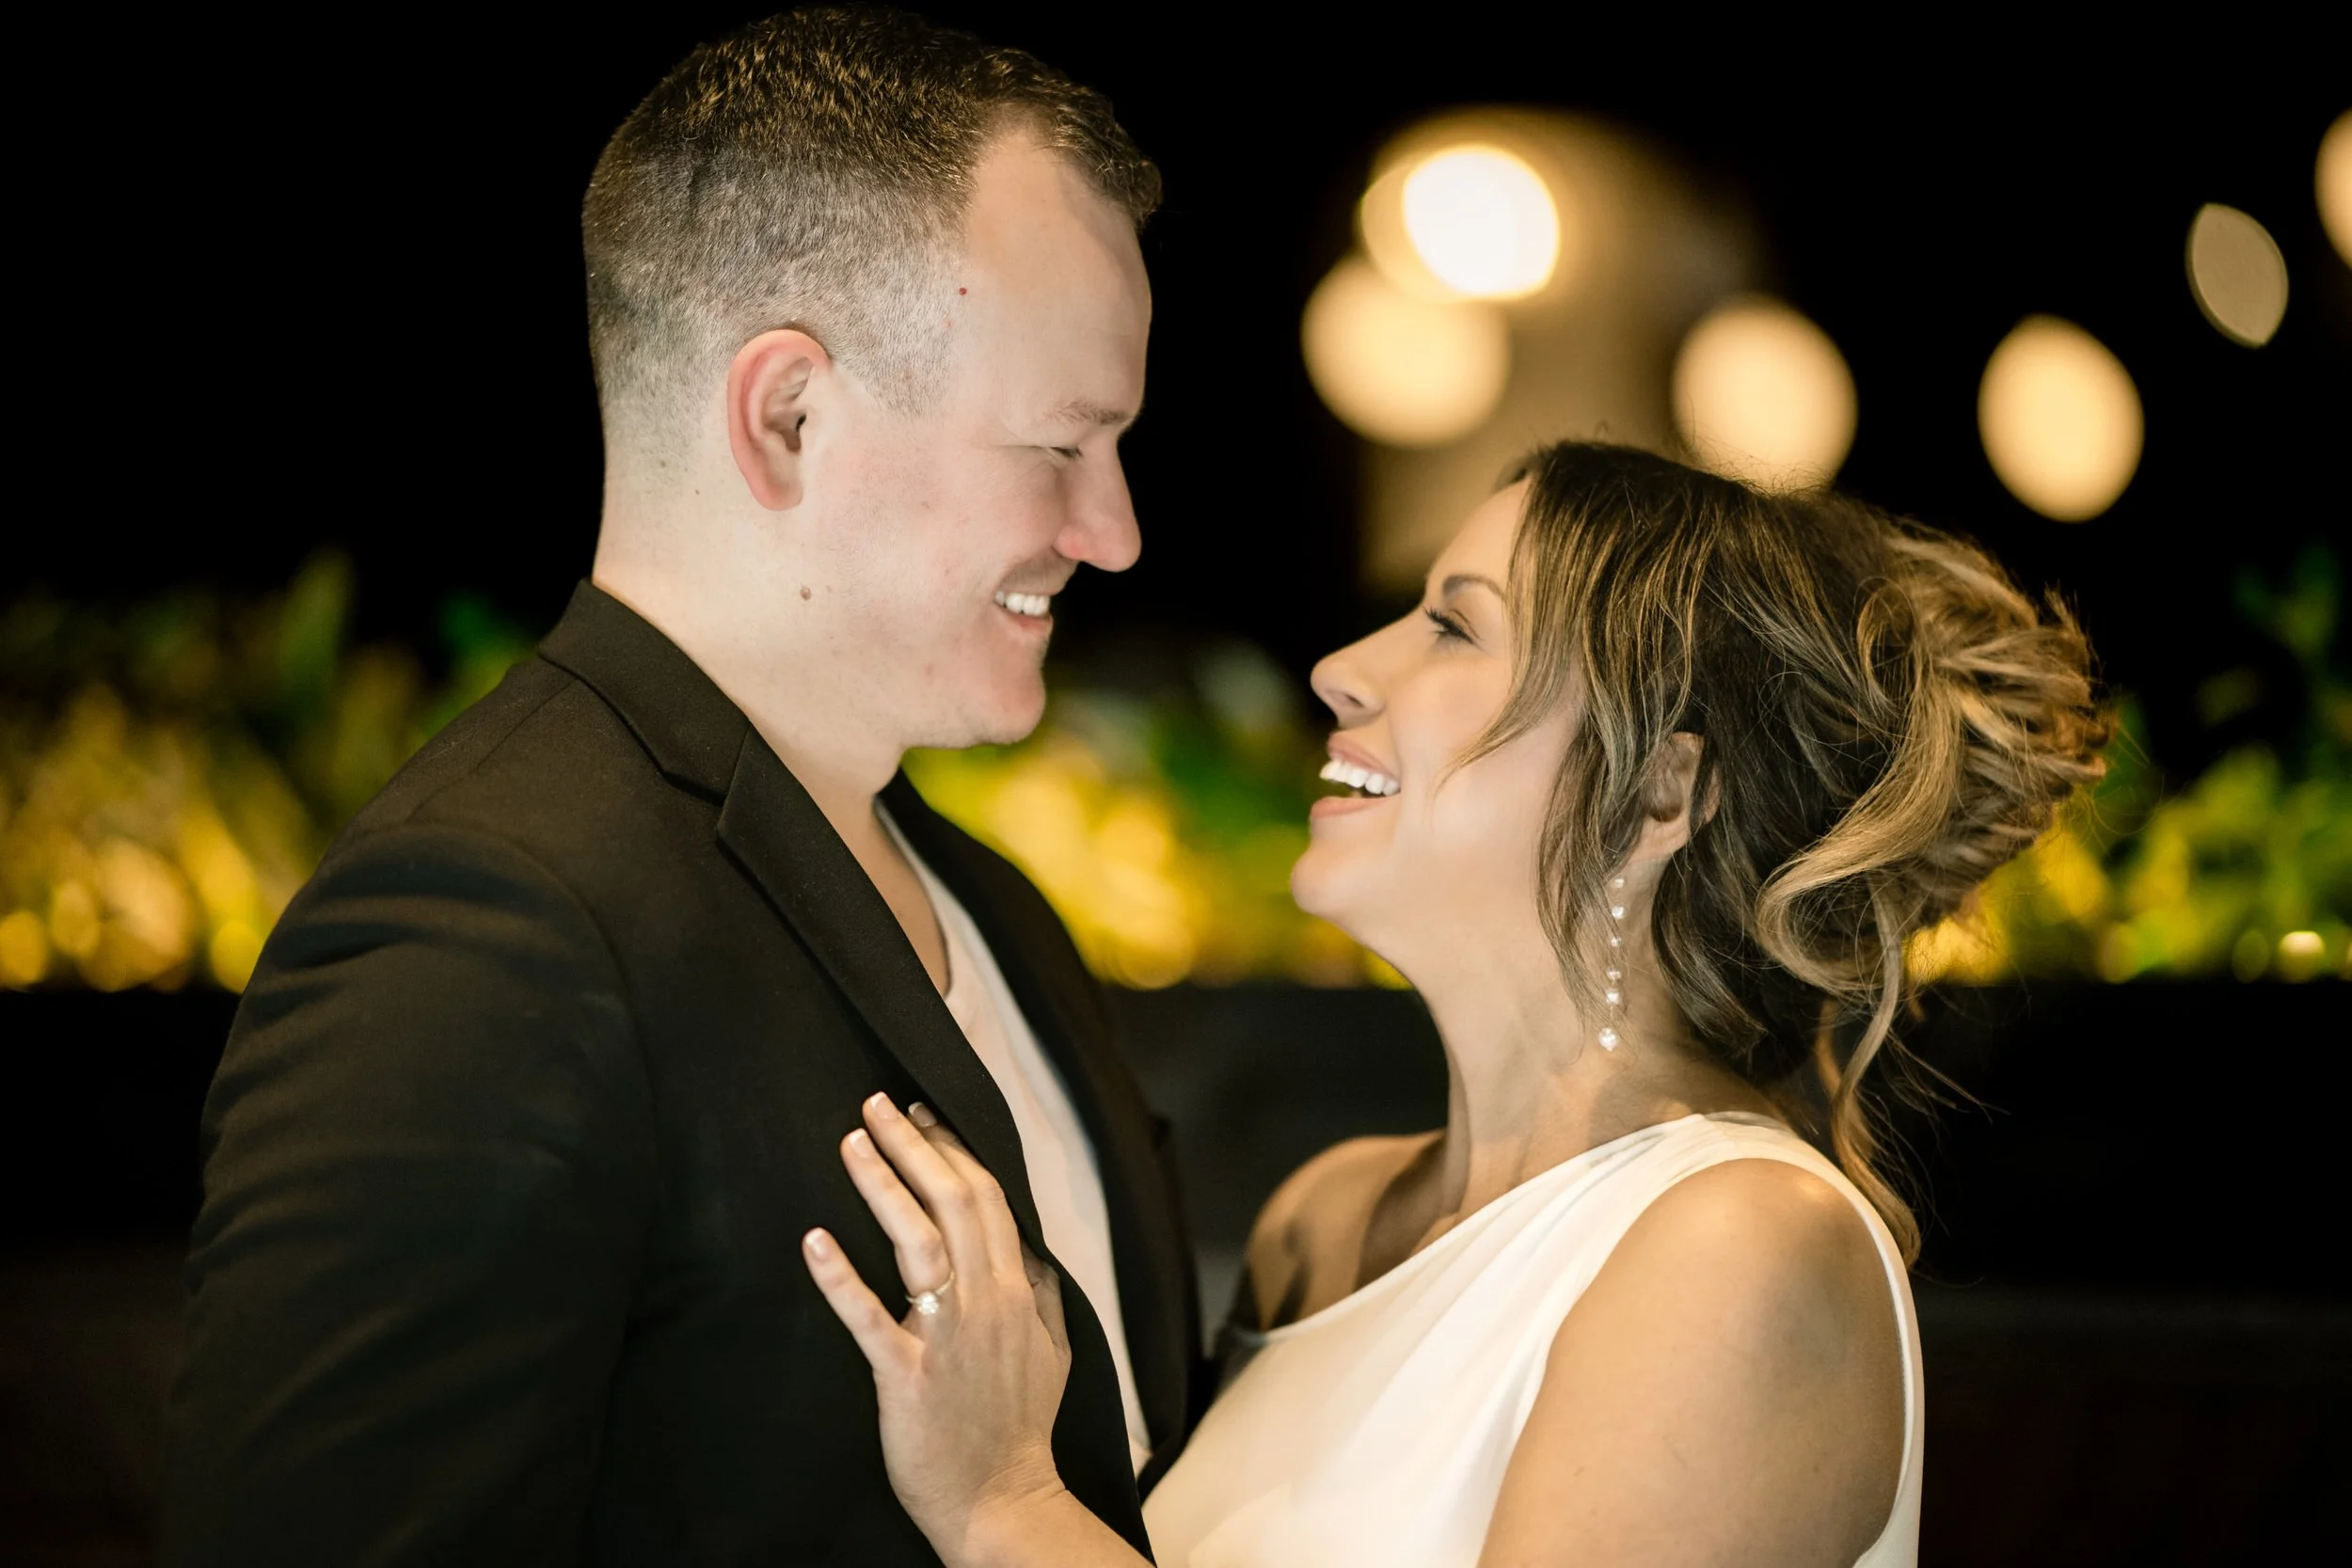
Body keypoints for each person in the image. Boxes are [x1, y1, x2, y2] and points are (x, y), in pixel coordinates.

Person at [159, 9, 1200, 1564]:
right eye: (1061, 442)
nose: (1112, 529)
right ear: (787, 416)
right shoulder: (491, 931)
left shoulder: (996, 913)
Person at [804, 443, 2111, 1567]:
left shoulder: (1745, 1244)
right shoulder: (1320, 1226)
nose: (1340, 668)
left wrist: (1007, 1504)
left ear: (1660, 794)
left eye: (1454, 624)